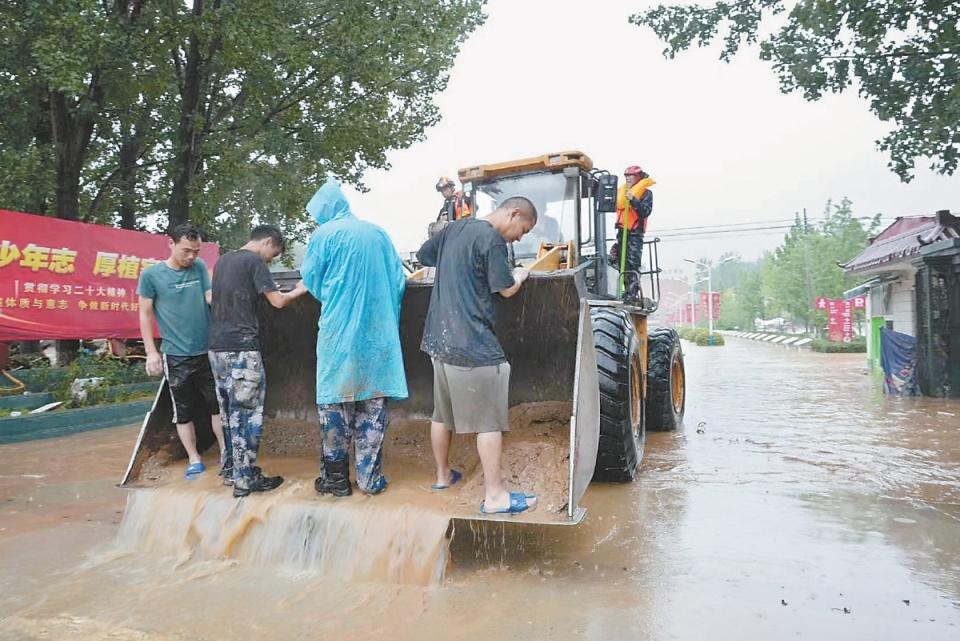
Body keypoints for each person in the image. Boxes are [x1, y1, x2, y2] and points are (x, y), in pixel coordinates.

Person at [416, 196, 540, 514]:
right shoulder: (491, 239)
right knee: (489, 422)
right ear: (513, 214)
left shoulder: (455, 228)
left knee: (442, 414)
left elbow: (424, 255)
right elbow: (505, 288)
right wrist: (521, 275)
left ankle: (443, 476)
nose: (520, 237)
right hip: (472, 345)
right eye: (523, 229)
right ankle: (496, 496)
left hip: (438, 341)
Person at [300, 180, 408, 497]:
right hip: (378, 333)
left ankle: (335, 479)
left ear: (324, 210)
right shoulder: (378, 233)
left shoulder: (323, 235)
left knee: (334, 403)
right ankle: (370, 480)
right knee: (372, 409)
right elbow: (398, 280)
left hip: (338, 332)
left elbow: (313, 280)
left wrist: (338, 298)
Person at [208, 225, 308, 498]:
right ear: (267, 242)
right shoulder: (253, 261)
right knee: (247, 414)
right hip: (242, 350)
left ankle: (230, 471)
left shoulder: (223, 261)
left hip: (216, 349)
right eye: (273, 254)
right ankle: (246, 478)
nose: (270, 260)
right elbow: (277, 301)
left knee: (229, 413)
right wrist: (301, 288)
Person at [138, 223, 225, 480]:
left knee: (217, 405)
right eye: (186, 251)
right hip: (176, 354)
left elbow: (209, 296)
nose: (191, 257)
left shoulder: (198, 268)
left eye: (196, 252)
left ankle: (226, 453)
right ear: (171, 244)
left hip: (206, 350)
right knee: (183, 410)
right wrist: (151, 352)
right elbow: (144, 314)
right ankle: (194, 458)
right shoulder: (152, 276)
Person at [613, 165, 655, 304]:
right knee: (619, 262)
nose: (628, 179)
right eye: (626, 176)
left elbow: (645, 211)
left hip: (635, 233)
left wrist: (633, 200)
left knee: (632, 263)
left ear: (638, 177)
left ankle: (632, 294)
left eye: (630, 176)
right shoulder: (622, 191)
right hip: (622, 231)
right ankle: (623, 290)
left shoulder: (646, 194)